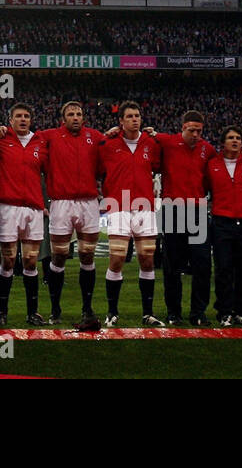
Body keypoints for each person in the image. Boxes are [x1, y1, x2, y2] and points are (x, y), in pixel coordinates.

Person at [38, 101, 105, 329]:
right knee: (58, 257)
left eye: (78, 114)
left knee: (87, 256)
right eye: (71, 114)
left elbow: (108, 155)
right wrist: (4, 131)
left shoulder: (95, 137)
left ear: (83, 117)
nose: (75, 117)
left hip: (88, 203)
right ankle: (55, 309)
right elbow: (24, 138)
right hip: (61, 203)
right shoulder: (49, 136)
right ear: (63, 118)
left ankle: (87, 308)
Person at [98, 102, 163, 326]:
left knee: (147, 259)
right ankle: (112, 312)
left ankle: (148, 313)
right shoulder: (108, 144)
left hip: (145, 207)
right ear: (121, 121)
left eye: (137, 116)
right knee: (116, 259)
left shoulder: (151, 144)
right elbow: (98, 169)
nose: (135, 119)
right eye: (130, 116)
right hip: (119, 206)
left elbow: (159, 166)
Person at [151, 110, 218, 327]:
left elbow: (213, 176)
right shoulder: (166, 142)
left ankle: (198, 313)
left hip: (198, 211)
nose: (195, 134)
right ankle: (173, 312)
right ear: (182, 128)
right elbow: (143, 138)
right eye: (191, 130)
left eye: (199, 131)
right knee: (172, 266)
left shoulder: (207, 149)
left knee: (203, 264)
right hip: (172, 210)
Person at [0, 103, 48, 327]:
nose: (23, 119)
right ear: (10, 120)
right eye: (18, 116)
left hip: (33, 208)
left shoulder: (40, 143)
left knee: (31, 262)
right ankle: (1, 312)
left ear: (31, 120)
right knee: (8, 261)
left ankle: (33, 312)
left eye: (26, 116)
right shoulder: (0, 141)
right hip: (8, 207)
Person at [204, 126, 242, 327]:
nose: (235, 141)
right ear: (222, 142)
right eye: (230, 138)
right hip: (222, 222)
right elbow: (205, 187)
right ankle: (224, 312)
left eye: (238, 138)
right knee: (224, 269)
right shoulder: (212, 165)